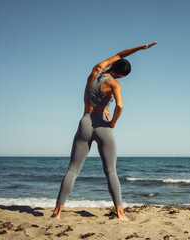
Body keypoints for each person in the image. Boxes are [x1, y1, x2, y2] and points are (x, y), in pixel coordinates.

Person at [51, 42, 157, 220]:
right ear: (121, 75)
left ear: (113, 65)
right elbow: (120, 106)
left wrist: (140, 48)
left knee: (73, 169)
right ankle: (121, 213)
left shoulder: (96, 70)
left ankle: (57, 212)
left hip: (85, 121)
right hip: (103, 125)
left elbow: (120, 54)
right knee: (110, 171)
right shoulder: (114, 84)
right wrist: (113, 123)